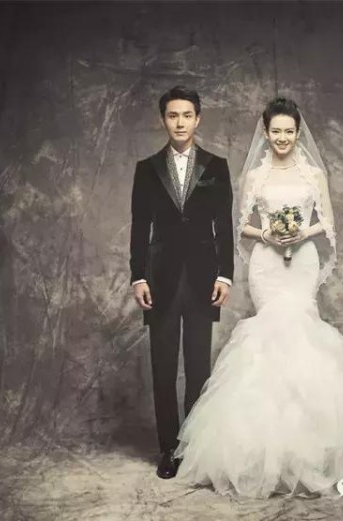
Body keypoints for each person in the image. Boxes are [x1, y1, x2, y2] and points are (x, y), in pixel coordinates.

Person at [173, 97, 343, 498]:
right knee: (269, 339)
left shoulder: (314, 174)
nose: (283, 138)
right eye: (276, 131)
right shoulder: (255, 176)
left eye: (289, 131)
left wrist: (302, 233)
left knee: (302, 334)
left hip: (302, 262)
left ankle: (310, 454)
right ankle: (264, 457)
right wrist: (267, 233)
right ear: (265, 133)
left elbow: (328, 222)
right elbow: (242, 226)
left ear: (298, 133)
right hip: (267, 265)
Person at [129, 86, 234, 479]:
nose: (180, 122)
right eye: (173, 115)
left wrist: (225, 273)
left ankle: (194, 445)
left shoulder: (216, 166)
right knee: (163, 367)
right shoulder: (147, 169)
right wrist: (138, 276)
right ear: (163, 120)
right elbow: (139, 226)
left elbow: (224, 224)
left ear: (198, 119)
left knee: (198, 368)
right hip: (161, 279)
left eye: (187, 115)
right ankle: (168, 449)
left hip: (204, 278)